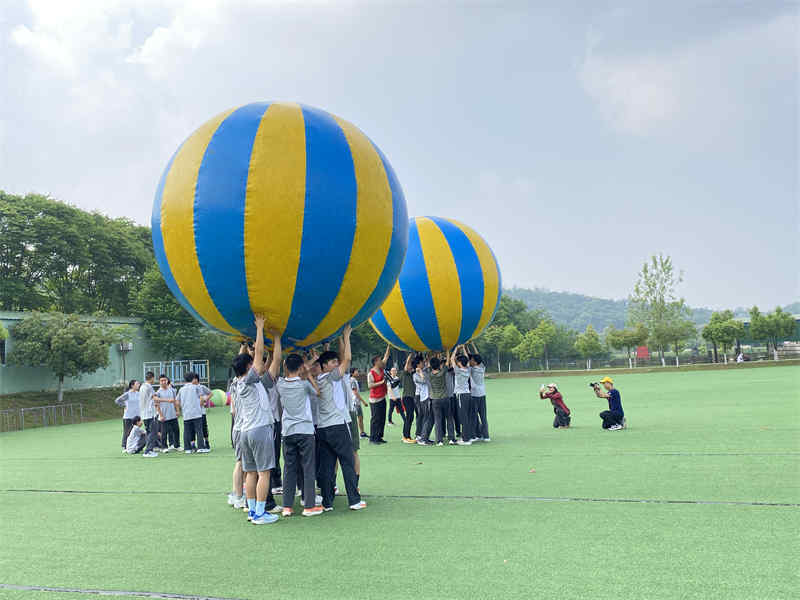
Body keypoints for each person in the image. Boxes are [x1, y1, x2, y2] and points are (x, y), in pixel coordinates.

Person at [264, 333, 321, 517]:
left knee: (289, 469)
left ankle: (287, 506)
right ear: (301, 367)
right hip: (305, 431)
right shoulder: (304, 384)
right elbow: (317, 393)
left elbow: (277, 364)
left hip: (287, 432)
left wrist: (277, 340)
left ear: (285, 367)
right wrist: (308, 373)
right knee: (308, 468)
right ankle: (309, 506)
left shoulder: (280, 384)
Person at [232, 315, 280, 525]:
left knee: (250, 473)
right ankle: (260, 513)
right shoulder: (249, 379)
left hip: (246, 432)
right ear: (249, 366)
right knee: (264, 473)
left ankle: (252, 510)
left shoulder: (245, 382)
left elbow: (269, 365)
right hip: (259, 430)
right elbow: (258, 357)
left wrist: (274, 348)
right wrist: (260, 328)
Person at [313, 325, 365, 512]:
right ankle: (354, 500)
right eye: (333, 362)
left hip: (322, 428)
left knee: (326, 467)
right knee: (347, 462)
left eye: (336, 362)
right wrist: (346, 335)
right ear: (325, 366)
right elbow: (347, 358)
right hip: (337, 426)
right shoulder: (332, 377)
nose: (337, 364)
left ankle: (327, 502)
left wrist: (329, 346)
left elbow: (340, 359)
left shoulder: (317, 378)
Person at [420, 356, 455, 446]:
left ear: (431, 366)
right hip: (445, 398)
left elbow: (423, 370)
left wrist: (428, 363)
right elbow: (447, 363)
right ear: (439, 364)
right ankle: (451, 438)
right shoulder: (442, 372)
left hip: (435, 400)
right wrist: (447, 352)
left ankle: (439, 440)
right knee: (449, 418)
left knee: (438, 420)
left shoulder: (429, 375)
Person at [177, 372, 211, 453]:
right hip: (196, 413)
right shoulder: (196, 387)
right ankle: (201, 447)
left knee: (187, 431)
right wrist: (201, 404)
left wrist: (181, 409)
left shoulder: (181, 389)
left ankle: (187, 448)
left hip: (186, 413)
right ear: (193, 379)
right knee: (199, 430)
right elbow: (202, 398)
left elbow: (177, 401)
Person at [367, 344, 391, 444]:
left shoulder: (381, 368)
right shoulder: (371, 373)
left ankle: (379, 436)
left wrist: (389, 346)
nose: (382, 361)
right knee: (375, 419)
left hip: (382, 397)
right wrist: (381, 382)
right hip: (375, 399)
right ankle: (372, 438)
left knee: (382, 418)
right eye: (379, 360)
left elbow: (386, 356)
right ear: (376, 362)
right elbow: (370, 385)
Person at [451, 346, 473, 445]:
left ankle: (465, 439)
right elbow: (467, 359)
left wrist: (456, 349)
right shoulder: (468, 370)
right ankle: (468, 437)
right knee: (466, 417)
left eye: (458, 362)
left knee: (463, 417)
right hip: (468, 394)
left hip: (461, 396)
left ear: (459, 363)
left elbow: (452, 359)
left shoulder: (458, 371)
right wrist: (463, 348)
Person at [469, 346, 489, 441]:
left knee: (473, 416)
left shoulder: (472, 369)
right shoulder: (482, 367)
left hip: (475, 395)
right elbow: (478, 356)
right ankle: (486, 436)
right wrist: (472, 345)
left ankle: (474, 436)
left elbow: (469, 357)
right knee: (483, 416)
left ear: (475, 362)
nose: (470, 361)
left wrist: (464, 348)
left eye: (472, 360)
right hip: (482, 394)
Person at [154, 375, 180, 451]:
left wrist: (177, 411)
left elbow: (175, 401)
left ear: (167, 381)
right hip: (164, 416)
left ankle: (177, 445)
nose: (163, 382)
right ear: (159, 382)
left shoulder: (172, 390)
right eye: (161, 380)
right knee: (164, 433)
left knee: (176, 431)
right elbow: (157, 405)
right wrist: (161, 415)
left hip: (173, 415)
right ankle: (164, 447)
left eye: (165, 380)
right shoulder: (158, 392)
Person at [115, 380, 141, 453]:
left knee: (135, 431)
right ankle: (124, 446)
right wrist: (124, 405)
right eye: (137, 384)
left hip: (137, 416)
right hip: (128, 416)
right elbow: (117, 400)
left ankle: (133, 445)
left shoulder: (139, 394)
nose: (138, 385)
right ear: (132, 385)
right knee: (127, 432)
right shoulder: (127, 394)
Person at [400, 354, 417, 443]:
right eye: (410, 365)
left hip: (411, 397)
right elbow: (407, 365)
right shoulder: (405, 373)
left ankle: (407, 435)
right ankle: (406, 436)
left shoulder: (412, 374)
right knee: (409, 416)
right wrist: (410, 357)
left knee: (410, 416)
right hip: (407, 397)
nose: (411, 367)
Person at [349, 368, 368, 438]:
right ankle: (360, 433)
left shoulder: (353, 380)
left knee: (360, 417)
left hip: (356, 402)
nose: (358, 372)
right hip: (355, 402)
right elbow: (355, 392)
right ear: (352, 373)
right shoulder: (352, 380)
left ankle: (362, 432)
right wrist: (363, 402)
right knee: (358, 417)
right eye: (356, 371)